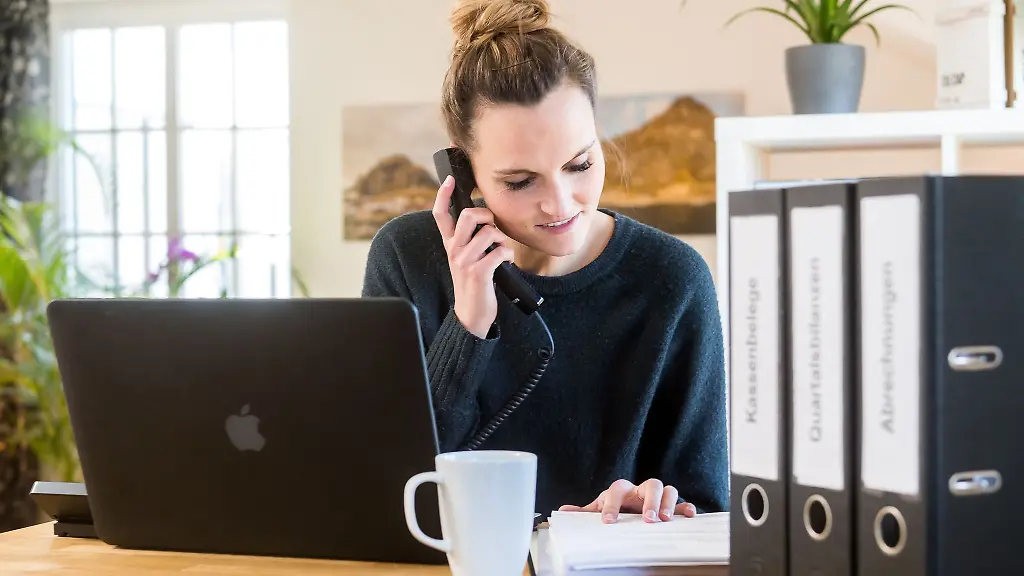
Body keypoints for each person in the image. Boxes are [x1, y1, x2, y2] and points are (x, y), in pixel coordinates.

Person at [361, 0, 728, 523]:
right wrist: (469, 322)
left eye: (580, 164)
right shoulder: (405, 258)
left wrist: (650, 508)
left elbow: (709, 509)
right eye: (519, 181)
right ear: (464, 174)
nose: (561, 204)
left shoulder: (673, 281)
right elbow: (392, 489)